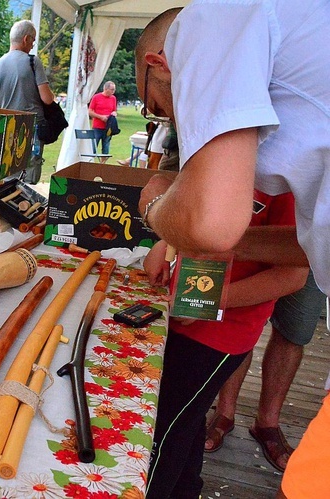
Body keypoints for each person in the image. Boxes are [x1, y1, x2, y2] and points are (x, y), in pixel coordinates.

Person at [134, 3, 330, 497]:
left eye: (157, 106)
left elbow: (212, 224)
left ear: (161, 64)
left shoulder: (211, 19)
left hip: (223, 332)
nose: (172, 120)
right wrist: (175, 233)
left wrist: (156, 207)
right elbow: (289, 244)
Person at [143, 190, 307, 498]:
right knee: (187, 420)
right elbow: (192, 214)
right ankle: (185, 490)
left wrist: (214, 302)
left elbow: (293, 275)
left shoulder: (290, 184)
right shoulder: (219, 153)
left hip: (222, 333)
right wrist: (164, 243)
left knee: (162, 431)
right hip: (183, 314)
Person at [205, 271, 326, 472]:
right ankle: (224, 411)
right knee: (241, 322)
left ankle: (267, 423)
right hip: (258, 243)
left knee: (294, 332)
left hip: (311, 252)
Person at [0, 20, 56, 184]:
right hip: (32, 128)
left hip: (7, 129)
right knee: (29, 177)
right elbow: (47, 98)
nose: (32, 45)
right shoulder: (32, 61)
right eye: (33, 40)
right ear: (26, 38)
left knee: (8, 175)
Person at [88, 81, 117, 155]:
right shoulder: (96, 97)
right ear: (106, 89)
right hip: (97, 127)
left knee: (106, 148)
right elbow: (90, 111)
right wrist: (100, 117)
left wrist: (114, 113)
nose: (113, 91)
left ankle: (103, 164)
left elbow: (114, 110)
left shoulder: (113, 98)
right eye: (112, 89)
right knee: (93, 147)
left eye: (114, 89)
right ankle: (90, 162)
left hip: (108, 127)